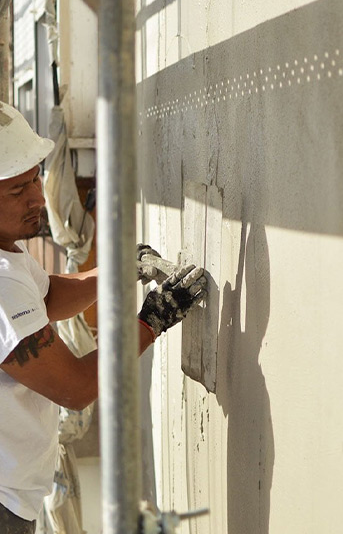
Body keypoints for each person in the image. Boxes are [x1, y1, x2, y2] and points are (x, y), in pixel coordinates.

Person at [0, 101, 205, 534]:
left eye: (35, 178)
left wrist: (120, 267)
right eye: (17, 191)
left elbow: (49, 296)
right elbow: (74, 388)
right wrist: (151, 320)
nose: (38, 197)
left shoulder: (9, 256)